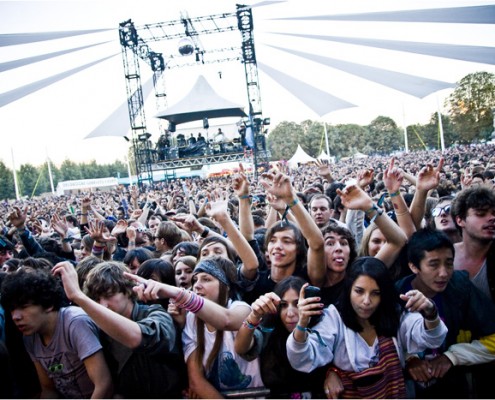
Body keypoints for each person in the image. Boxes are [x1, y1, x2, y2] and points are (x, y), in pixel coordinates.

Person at [287, 257, 448, 399]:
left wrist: (430, 312)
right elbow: (303, 357)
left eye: (375, 293)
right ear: (349, 289)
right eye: (359, 291)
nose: (366, 301)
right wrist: (302, 325)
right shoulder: (334, 318)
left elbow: (433, 338)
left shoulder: (396, 314)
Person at [124, 256, 264, 398]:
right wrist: (180, 324)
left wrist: (177, 293)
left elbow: (227, 320)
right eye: (195, 280)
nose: (197, 285)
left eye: (206, 279)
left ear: (225, 286)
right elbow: (196, 382)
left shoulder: (240, 308)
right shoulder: (191, 319)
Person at [52, 261, 186, 398]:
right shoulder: (97, 329)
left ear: (128, 291)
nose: (103, 305)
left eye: (109, 295)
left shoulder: (156, 315)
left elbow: (138, 338)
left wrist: (78, 296)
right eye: (97, 300)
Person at [396, 228, 495, 398]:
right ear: (413, 266)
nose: (443, 273)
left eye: (449, 263)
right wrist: (409, 359)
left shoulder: (461, 289)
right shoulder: (395, 294)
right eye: (433, 264)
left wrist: (452, 357)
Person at [1, 268, 112, 399]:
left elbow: (104, 384)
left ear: (48, 305)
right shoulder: (30, 337)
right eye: (12, 309)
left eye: (23, 307)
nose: (15, 316)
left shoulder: (75, 322)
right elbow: (48, 389)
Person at [234, 276, 326, 398]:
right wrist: (254, 316)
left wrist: (332, 373)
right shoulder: (269, 331)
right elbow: (241, 348)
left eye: (297, 304)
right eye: (283, 305)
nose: (290, 313)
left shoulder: (322, 329)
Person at [451, 185, 495, 301]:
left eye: (494, 213)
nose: (491, 218)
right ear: (460, 220)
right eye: (481, 214)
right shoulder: (445, 255)